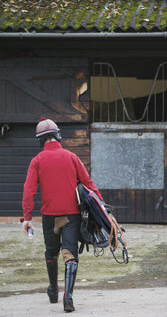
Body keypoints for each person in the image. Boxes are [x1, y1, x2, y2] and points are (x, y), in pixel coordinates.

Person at [21, 117, 103, 313]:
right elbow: (89, 185)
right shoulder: (72, 157)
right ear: (58, 136)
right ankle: (68, 298)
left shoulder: (37, 161)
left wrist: (27, 218)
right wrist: (103, 210)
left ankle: (53, 291)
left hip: (49, 216)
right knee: (70, 255)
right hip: (71, 216)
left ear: (40, 140)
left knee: (51, 254)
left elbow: (28, 190)